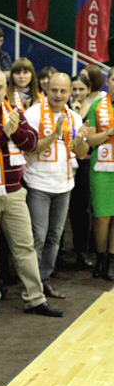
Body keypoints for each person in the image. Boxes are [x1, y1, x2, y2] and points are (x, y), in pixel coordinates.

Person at [0, 67, 64, 318]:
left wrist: (14, 130)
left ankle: (35, 299)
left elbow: (31, 143)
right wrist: (3, 135)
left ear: (6, 89)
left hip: (15, 193)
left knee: (25, 246)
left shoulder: (15, 113)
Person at [24, 73, 89, 299]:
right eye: (54, 90)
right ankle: (31, 285)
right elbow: (29, 148)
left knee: (54, 237)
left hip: (64, 185)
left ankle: (44, 280)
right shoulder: (32, 114)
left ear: (70, 92)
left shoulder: (75, 118)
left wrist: (80, 140)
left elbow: (80, 153)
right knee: (38, 237)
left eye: (63, 91)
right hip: (38, 184)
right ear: (46, 90)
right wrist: (55, 134)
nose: (58, 95)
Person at [86, 67, 114, 281]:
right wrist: (110, 132)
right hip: (101, 167)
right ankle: (101, 258)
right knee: (101, 216)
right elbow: (90, 140)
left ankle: (112, 261)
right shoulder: (97, 105)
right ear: (108, 81)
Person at [66, 74, 94, 269]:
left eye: (81, 89)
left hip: (84, 163)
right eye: (74, 89)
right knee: (60, 209)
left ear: (88, 90)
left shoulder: (92, 111)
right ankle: (57, 253)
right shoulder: (64, 110)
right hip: (63, 162)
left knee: (81, 209)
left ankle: (81, 251)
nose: (77, 93)